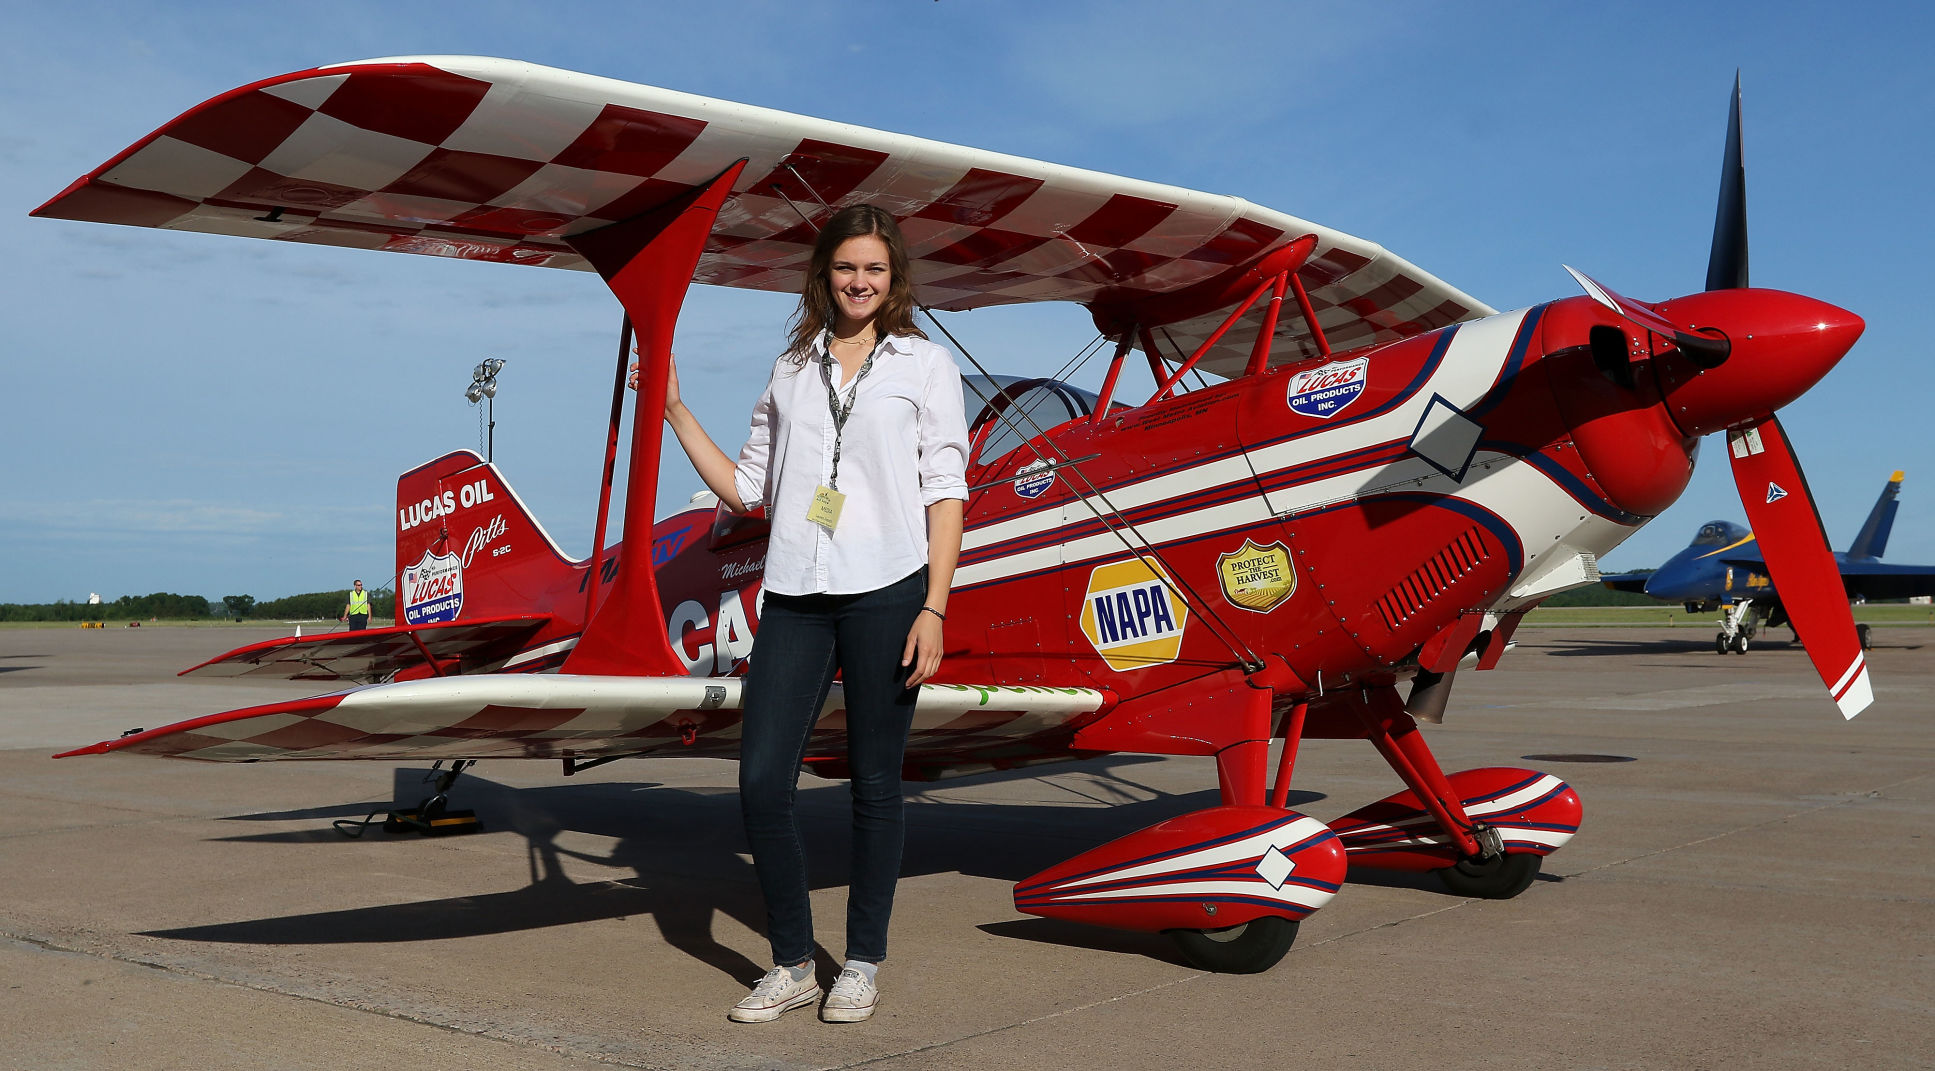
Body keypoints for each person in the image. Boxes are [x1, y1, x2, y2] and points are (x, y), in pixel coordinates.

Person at [643, 204, 968, 1024]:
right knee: (760, 782)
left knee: (874, 784)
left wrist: (932, 604)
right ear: (823, 275)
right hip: (793, 594)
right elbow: (750, 487)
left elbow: (946, 490)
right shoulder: (791, 368)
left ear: (893, 281)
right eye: (846, 268)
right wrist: (676, 410)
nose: (860, 282)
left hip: (888, 589)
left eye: (875, 270)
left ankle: (859, 962)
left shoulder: (924, 366)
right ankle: (790, 963)